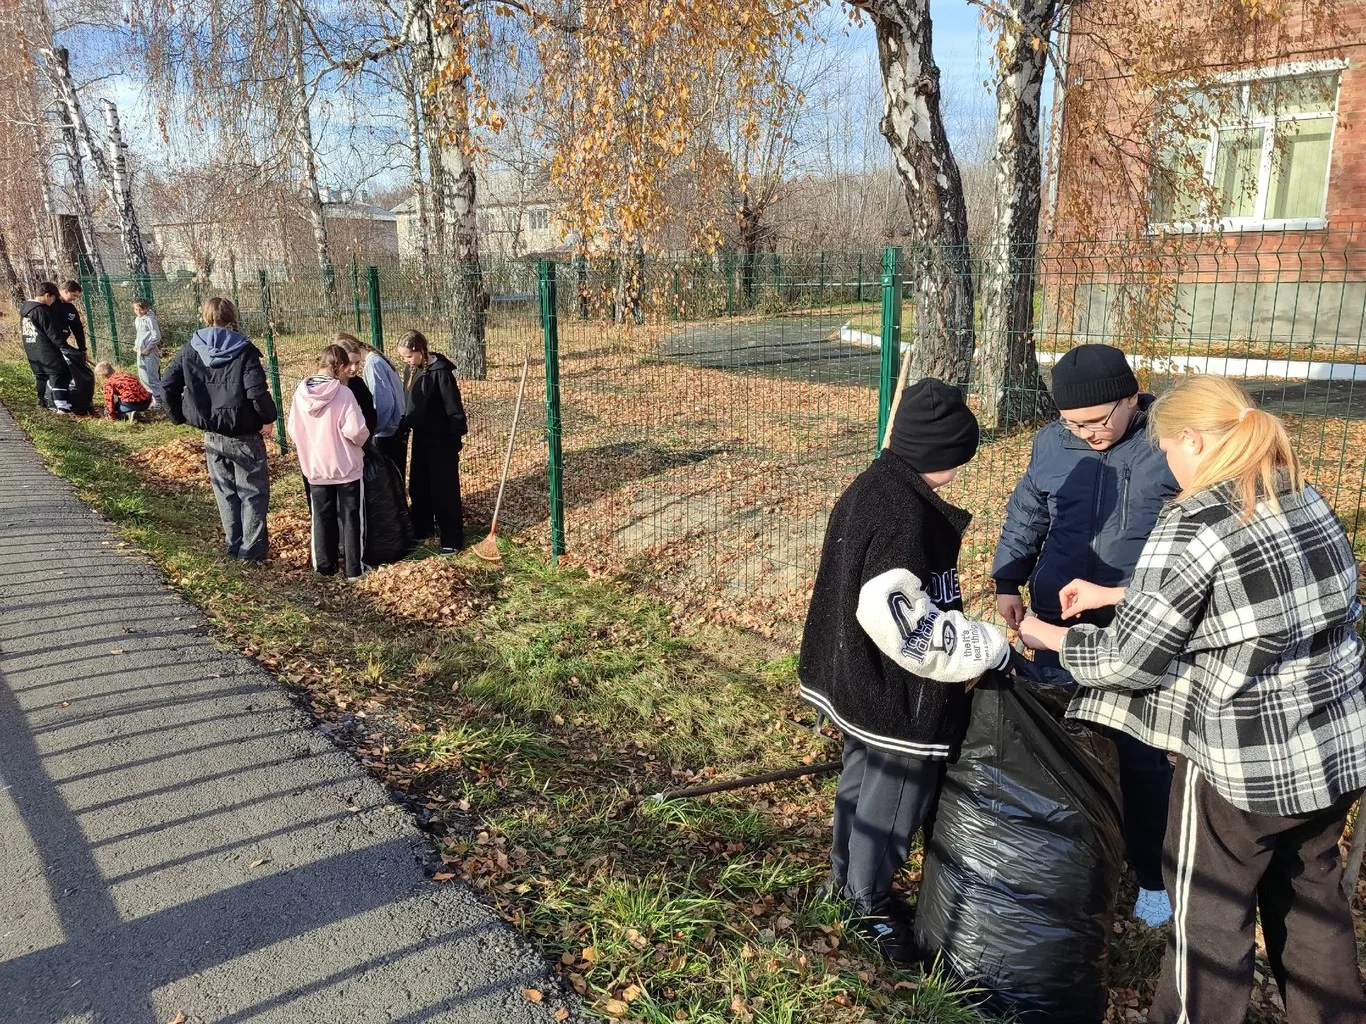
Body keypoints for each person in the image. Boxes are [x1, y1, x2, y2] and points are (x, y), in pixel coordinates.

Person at [1019, 375, 1366, 1024]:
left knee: (1207, 922)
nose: (1167, 467)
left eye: (1167, 452)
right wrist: (1114, 595)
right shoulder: (1298, 493)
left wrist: (1052, 637)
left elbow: (1128, 658)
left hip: (1241, 769)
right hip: (1332, 753)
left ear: (1193, 440)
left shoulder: (1194, 520)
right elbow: (1241, 596)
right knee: (1312, 908)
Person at [798, 378, 1011, 964]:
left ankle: (845, 882)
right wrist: (986, 647)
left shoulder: (877, 484)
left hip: (857, 676)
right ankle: (867, 904)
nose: (962, 468)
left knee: (861, 777)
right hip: (895, 691)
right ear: (940, 454)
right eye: (959, 456)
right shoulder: (904, 514)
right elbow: (898, 620)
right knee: (895, 798)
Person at [990, 343, 1180, 927]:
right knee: (1063, 739)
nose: (1087, 433)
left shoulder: (1168, 445)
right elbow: (1028, 512)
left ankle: (1151, 873)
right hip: (1058, 616)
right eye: (1074, 424)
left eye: (1097, 420)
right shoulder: (1052, 444)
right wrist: (1008, 578)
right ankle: (1069, 855)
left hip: (1134, 620)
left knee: (1142, 755)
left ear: (1131, 398)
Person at [162, 297, 279, 564]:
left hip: (212, 435)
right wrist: (268, 417)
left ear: (205, 317)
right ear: (232, 318)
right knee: (253, 492)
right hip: (244, 434)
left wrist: (179, 416)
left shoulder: (191, 348)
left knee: (224, 490)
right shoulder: (244, 349)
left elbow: (167, 384)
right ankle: (251, 552)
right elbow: (256, 392)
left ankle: (234, 544)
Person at [287, 345, 370, 580]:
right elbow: (355, 430)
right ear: (341, 367)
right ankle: (354, 569)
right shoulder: (344, 394)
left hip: (315, 466)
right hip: (346, 467)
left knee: (321, 517)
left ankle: (323, 567)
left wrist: (308, 445)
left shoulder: (300, 393)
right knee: (351, 517)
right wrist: (362, 442)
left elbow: (293, 429)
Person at [397, 331, 467, 553]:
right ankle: (422, 529)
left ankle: (451, 539)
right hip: (421, 438)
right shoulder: (411, 370)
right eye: (403, 357)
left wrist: (455, 439)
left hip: (442, 441)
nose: (407, 360)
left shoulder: (441, 373)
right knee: (419, 486)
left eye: (409, 356)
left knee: (444, 490)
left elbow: (453, 408)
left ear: (420, 350)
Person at [337, 333, 406, 469]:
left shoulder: (371, 366)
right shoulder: (376, 360)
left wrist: (370, 433)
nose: (355, 368)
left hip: (384, 433)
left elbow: (383, 404)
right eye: (350, 363)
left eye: (357, 363)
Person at [20, 282, 70, 411]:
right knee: (58, 373)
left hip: (32, 347)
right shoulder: (42, 310)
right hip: (46, 350)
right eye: (53, 298)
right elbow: (52, 333)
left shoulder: (26, 309)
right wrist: (64, 346)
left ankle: (41, 401)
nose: (53, 302)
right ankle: (57, 404)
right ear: (47, 295)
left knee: (41, 375)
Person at [132, 299, 165, 407]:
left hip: (150, 352)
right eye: (136, 309)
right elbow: (139, 335)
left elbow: (157, 336)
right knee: (143, 376)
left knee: (152, 376)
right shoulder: (137, 319)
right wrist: (137, 345)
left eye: (140, 309)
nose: (138, 312)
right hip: (140, 352)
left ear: (146, 309)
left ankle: (159, 400)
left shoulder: (150, 319)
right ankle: (150, 398)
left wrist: (148, 348)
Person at [56, 280, 87, 358]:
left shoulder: (70, 308)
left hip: (63, 344)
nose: (75, 298)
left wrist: (82, 348)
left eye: (77, 297)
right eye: (74, 295)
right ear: (66, 291)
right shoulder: (51, 304)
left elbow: (78, 329)